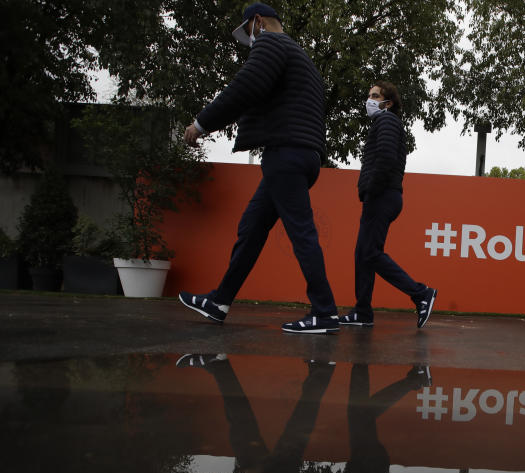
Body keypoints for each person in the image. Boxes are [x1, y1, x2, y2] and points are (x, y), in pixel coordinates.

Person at [178, 3, 339, 334]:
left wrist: (201, 123)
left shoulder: (270, 43)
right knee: (251, 227)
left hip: (286, 153)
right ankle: (220, 301)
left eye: (247, 32)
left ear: (257, 22)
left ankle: (324, 312)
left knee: (301, 232)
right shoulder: (301, 57)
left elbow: (245, 88)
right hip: (302, 154)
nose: (249, 40)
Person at [338, 82, 438, 329]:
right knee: (363, 254)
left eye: (374, 96)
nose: (369, 100)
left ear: (388, 102)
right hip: (381, 195)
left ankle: (420, 293)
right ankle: (362, 311)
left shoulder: (387, 121)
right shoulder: (383, 123)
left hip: (382, 195)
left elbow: (385, 157)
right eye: (369, 95)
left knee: (370, 253)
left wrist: (370, 188)